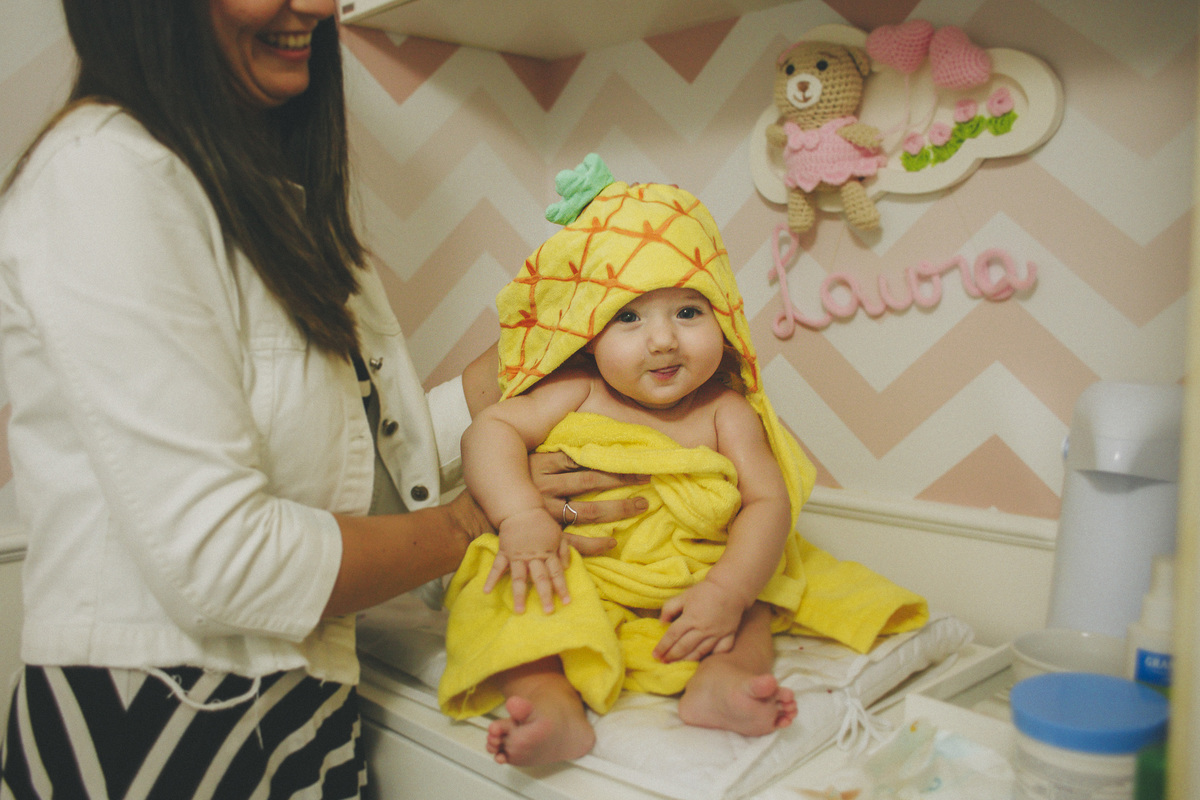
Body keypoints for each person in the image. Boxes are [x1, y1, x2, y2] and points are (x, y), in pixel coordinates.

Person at [0, 3, 638, 798]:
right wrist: (481, 519)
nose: (312, 4)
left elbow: (370, 475)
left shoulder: (278, 202)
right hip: (158, 720)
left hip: (301, 707)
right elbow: (220, 557)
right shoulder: (106, 176)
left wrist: (539, 351)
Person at [437, 156, 930, 767]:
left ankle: (721, 684)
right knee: (509, 589)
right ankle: (549, 700)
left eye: (688, 312)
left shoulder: (726, 411)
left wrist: (727, 589)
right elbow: (490, 430)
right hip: (576, 565)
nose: (664, 340)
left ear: (723, 317)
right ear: (588, 333)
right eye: (628, 317)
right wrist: (519, 517)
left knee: (755, 605)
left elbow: (767, 502)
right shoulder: (577, 391)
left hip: (696, 574)